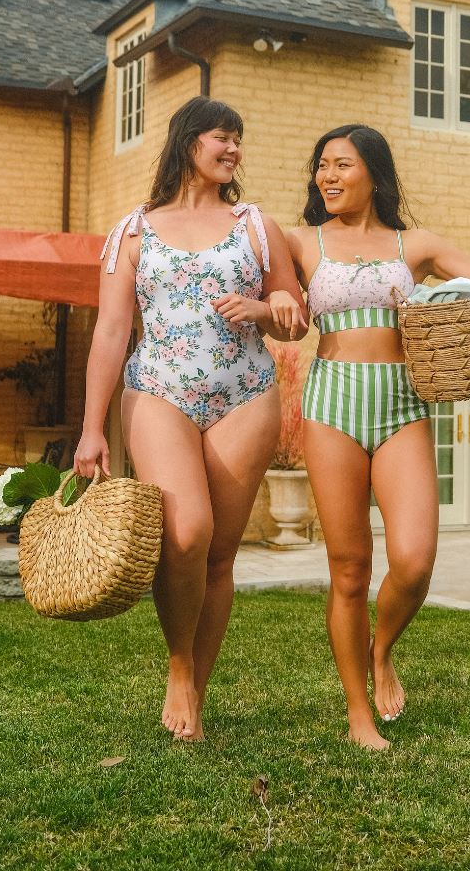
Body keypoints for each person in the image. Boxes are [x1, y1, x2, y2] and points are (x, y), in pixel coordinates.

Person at [286, 124, 470, 750]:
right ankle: (357, 714)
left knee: (415, 560)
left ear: (373, 172)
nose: (328, 176)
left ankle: (382, 651)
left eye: (342, 164)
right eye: (322, 166)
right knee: (348, 571)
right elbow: (255, 272)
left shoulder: (413, 243)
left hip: (402, 404)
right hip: (331, 403)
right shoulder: (300, 240)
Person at [74, 96, 307, 742]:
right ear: (187, 142)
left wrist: (268, 309)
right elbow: (113, 330)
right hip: (158, 393)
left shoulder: (257, 226)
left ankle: (195, 697)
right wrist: (93, 429)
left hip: (246, 392)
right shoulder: (132, 230)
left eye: (238, 141)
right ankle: (179, 666)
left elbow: (295, 315)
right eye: (221, 138)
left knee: (220, 556)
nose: (232, 150)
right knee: (185, 535)